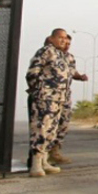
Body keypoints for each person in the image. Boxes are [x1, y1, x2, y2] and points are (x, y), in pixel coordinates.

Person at [25, 28, 74, 177]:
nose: (64, 41)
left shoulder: (63, 56)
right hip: (45, 98)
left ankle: (45, 161)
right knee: (40, 130)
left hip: (59, 99)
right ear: (51, 38)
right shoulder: (46, 51)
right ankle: (35, 164)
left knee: (51, 131)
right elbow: (32, 73)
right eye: (61, 38)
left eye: (66, 38)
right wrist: (40, 91)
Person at [51, 33, 87, 165]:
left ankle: (55, 152)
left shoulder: (70, 58)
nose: (66, 46)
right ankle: (40, 157)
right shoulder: (51, 54)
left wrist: (80, 76)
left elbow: (72, 73)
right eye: (64, 42)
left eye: (68, 44)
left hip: (65, 97)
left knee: (63, 125)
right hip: (51, 98)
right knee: (48, 126)